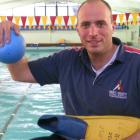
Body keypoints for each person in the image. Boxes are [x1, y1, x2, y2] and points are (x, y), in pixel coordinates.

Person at [0, 0, 140, 139]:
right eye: (85, 25)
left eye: (100, 24)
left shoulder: (136, 63)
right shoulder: (66, 60)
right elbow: (20, 73)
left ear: (112, 26)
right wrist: (9, 41)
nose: (93, 32)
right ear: (77, 29)